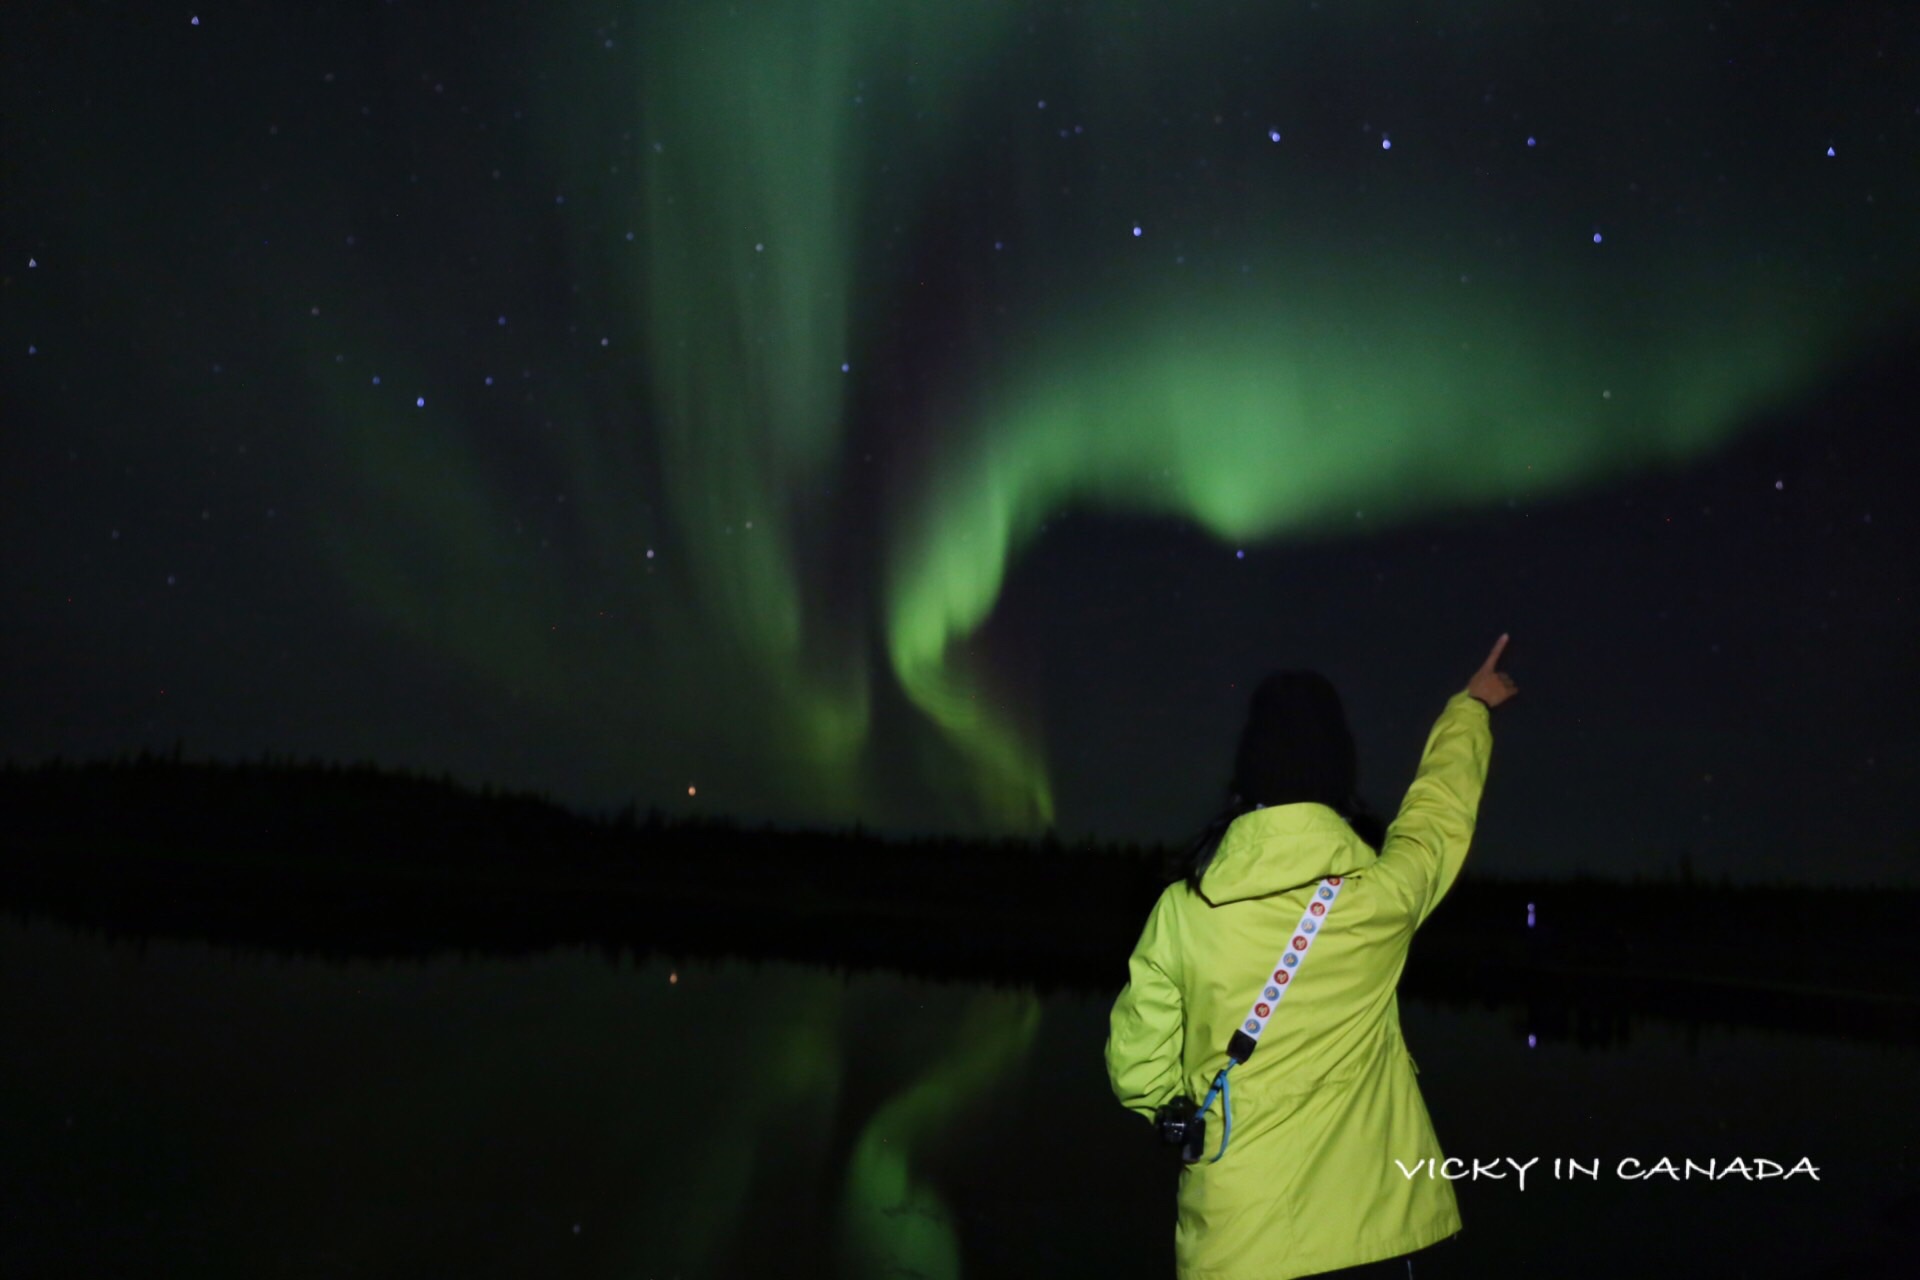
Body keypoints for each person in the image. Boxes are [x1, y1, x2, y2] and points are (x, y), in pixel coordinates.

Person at [1105, 635, 1519, 1280]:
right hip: (1371, 1235)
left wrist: (1183, 1108)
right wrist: (1470, 708)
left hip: (1237, 1243)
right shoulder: (1381, 898)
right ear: (1337, 774)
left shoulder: (1183, 910)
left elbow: (1137, 1071)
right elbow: (1436, 816)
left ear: (1249, 774)